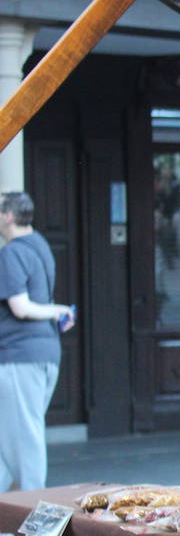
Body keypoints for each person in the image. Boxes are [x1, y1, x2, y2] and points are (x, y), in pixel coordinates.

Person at [0, 191, 75, 492]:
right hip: (44, 354)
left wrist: (57, 310)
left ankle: (34, 516)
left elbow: (20, 306)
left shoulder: (11, 252)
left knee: (24, 437)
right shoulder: (41, 246)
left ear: (7, 216)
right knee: (9, 437)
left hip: (19, 355)